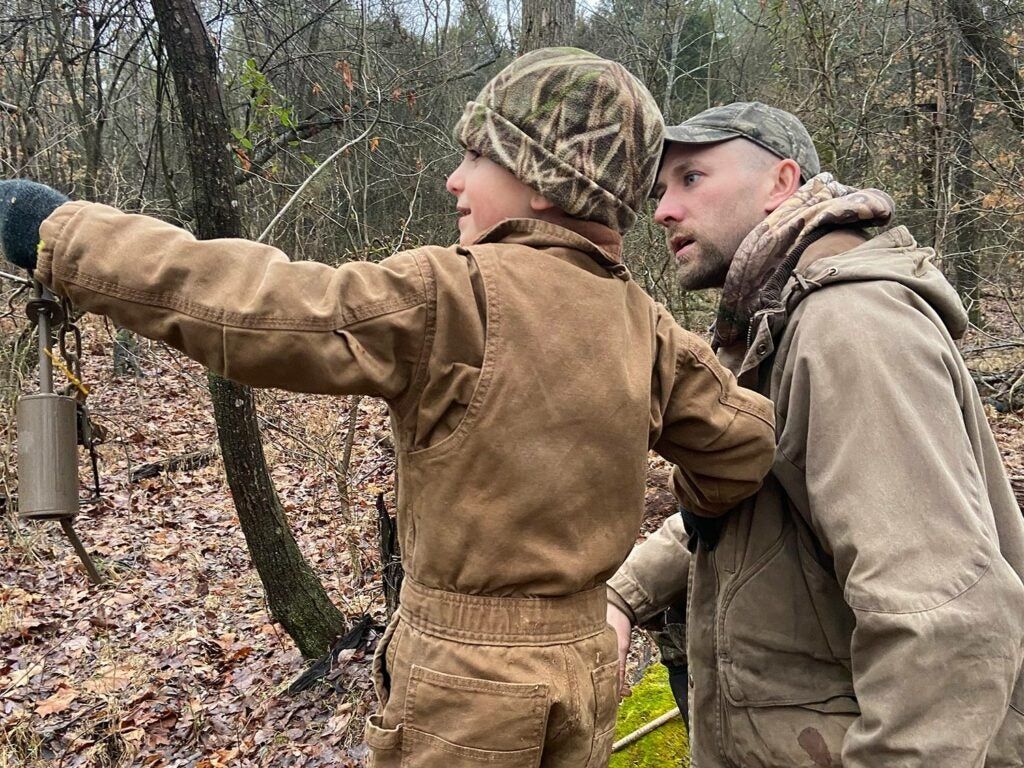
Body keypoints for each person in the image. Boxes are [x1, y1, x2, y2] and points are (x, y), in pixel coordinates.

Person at [0, 51, 777, 766]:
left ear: (542, 179)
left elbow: (255, 305)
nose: (454, 179)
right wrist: (700, 509)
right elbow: (743, 444)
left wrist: (63, 234)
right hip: (585, 668)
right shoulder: (647, 327)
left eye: (477, 155)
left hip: (464, 684)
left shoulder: (452, 294)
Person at [606, 101, 1024, 767]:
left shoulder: (848, 328)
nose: (661, 210)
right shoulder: (775, 325)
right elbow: (755, 512)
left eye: (691, 179)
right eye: (659, 191)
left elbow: (941, 621)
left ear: (781, 183)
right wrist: (624, 595)